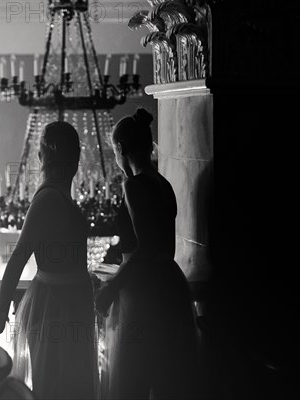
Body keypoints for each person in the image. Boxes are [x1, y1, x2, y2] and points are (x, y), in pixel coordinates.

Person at [0, 121, 98, 400]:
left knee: (72, 383)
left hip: (71, 301)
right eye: (75, 155)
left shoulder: (59, 194)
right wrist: (0, 310)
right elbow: (18, 258)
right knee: (56, 386)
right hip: (56, 306)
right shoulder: (47, 199)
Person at [95, 108, 200, 399]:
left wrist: (111, 287)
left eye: (114, 150)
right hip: (169, 284)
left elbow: (146, 246)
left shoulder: (134, 184)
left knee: (134, 377)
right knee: (166, 376)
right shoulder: (163, 183)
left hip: (144, 291)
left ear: (121, 148)